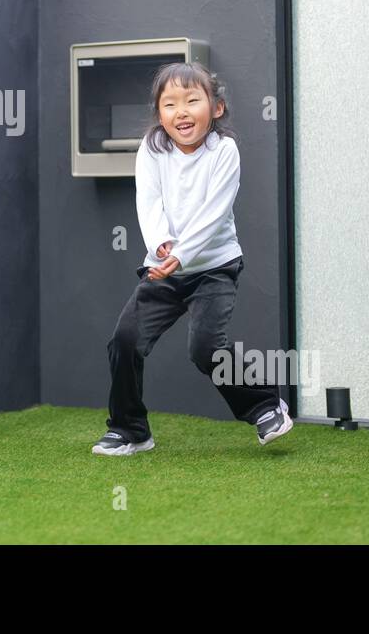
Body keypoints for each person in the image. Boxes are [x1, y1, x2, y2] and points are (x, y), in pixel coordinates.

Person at [92, 61, 291, 455]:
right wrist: (161, 244)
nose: (180, 112)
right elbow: (149, 201)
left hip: (214, 269)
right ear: (159, 113)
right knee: (125, 341)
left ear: (216, 108)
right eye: (169, 104)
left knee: (205, 349)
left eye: (191, 101)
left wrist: (182, 254)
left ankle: (265, 407)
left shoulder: (224, 151)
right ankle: (130, 430)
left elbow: (214, 213)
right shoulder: (152, 149)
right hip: (163, 269)